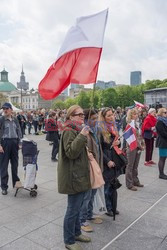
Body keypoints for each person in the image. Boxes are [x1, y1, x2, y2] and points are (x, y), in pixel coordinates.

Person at [58, 105, 91, 250]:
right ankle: (69, 240)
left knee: (77, 208)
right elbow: (71, 152)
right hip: (73, 176)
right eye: (79, 115)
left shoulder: (76, 129)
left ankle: (77, 232)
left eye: (83, 115)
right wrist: (82, 136)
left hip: (79, 173)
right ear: (71, 116)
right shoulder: (69, 130)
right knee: (72, 210)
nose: (82, 117)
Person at [79, 109, 103, 233]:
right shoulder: (85, 132)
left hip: (96, 165)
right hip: (88, 168)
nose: (95, 121)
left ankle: (89, 214)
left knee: (93, 193)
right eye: (93, 119)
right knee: (87, 195)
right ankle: (82, 220)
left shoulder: (95, 131)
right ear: (86, 120)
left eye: (96, 118)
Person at [98, 108, 123, 217]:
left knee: (113, 184)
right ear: (103, 117)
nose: (111, 117)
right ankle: (108, 207)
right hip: (106, 160)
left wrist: (118, 142)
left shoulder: (113, 127)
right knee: (107, 185)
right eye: (108, 115)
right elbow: (99, 149)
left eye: (112, 114)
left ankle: (113, 206)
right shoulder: (100, 129)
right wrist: (107, 161)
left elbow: (117, 144)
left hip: (115, 158)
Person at [0, 103, 22, 195]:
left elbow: (19, 131)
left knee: (15, 164)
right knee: (4, 166)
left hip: (14, 143)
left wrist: (20, 142)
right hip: (4, 143)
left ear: (11, 109)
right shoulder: (1, 120)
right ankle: (4, 187)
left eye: (7, 108)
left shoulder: (15, 119)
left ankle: (16, 183)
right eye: (4, 108)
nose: (5, 110)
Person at [125, 108, 145, 191]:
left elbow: (139, 135)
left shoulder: (137, 124)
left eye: (137, 113)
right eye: (134, 114)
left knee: (135, 166)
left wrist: (142, 144)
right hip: (131, 147)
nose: (136, 115)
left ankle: (135, 181)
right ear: (130, 115)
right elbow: (129, 138)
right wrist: (139, 146)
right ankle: (129, 184)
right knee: (130, 166)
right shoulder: (129, 125)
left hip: (138, 147)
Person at [156, 108, 167, 180]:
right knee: (162, 158)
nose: (166, 114)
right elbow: (163, 133)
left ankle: (162, 173)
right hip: (163, 142)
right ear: (161, 113)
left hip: (165, 141)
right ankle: (161, 174)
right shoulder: (159, 121)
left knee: (164, 158)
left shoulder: (165, 121)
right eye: (165, 112)